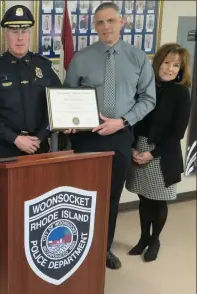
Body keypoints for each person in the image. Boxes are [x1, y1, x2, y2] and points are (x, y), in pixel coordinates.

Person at [63, 2, 156, 269]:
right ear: (94, 26)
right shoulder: (82, 57)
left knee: (111, 196)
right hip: (86, 137)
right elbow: (69, 95)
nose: (106, 27)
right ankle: (78, 247)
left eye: (111, 21)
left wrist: (123, 121)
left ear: (122, 22)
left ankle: (103, 249)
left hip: (119, 136)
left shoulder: (137, 57)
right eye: (100, 23)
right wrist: (69, 120)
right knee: (81, 196)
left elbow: (149, 99)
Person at [126, 43, 192, 262]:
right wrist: (133, 146)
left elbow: (178, 132)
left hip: (161, 154)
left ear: (181, 70)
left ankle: (155, 241)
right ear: (157, 63)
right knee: (144, 198)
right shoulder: (146, 86)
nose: (170, 69)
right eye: (166, 63)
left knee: (158, 201)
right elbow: (135, 119)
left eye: (176, 65)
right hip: (139, 148)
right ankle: (144, 238)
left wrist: (152, 155)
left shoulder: (181, 93)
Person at [0, 5, 61, 159]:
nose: (20, 37)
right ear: (6, 34)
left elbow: (57, 106)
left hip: (38, 146)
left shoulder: (45, 67)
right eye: (15, 32)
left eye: (24, 32)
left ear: (29, 34)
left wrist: (40, 136)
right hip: (4, 149)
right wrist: (14, 138)